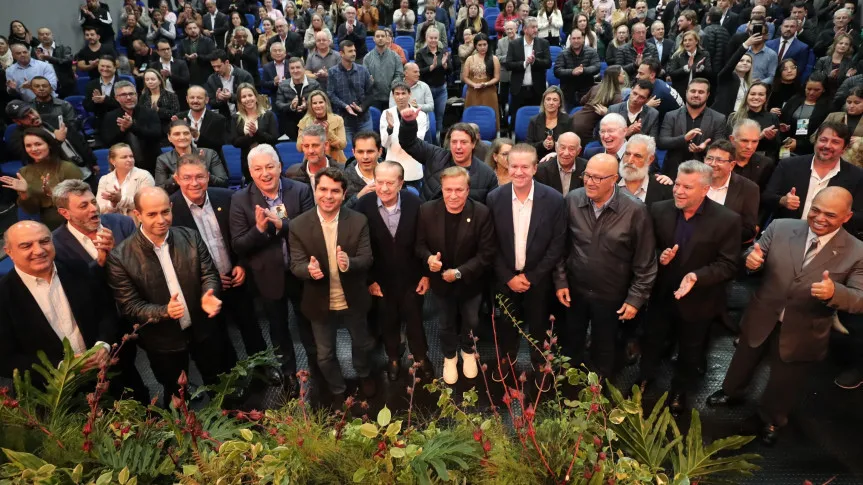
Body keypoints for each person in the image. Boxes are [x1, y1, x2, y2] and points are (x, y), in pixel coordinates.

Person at [707, 187, 863, 445]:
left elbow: (859, 298)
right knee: (743, 360)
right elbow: (754, 256)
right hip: (762, 315)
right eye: (815, 210)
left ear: (847, 217)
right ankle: (731, 392)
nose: (820, 218)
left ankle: (772, 419)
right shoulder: (780, 227)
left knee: (785, 382)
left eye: (830, 215)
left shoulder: (857, 251)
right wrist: (750, 262)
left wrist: (836, 292)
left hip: (805, 329)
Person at [106, 186, 234, 407]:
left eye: (165, 212)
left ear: (171, 208)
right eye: (152, 214)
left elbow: (209, 274)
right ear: (137, 214)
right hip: (162, 341)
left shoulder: (190, 236)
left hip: (202, 329)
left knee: (218, 384)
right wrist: (164, 311)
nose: (161, 219)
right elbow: (129, 307)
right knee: (175, 392)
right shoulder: (120, 257)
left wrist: (208, 293)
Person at [638, 160, 741, 416]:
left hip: (699, 301)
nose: (679, 191)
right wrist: (659, 256)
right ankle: (644, 378)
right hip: (661, 295)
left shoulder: (727, 220)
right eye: (677, 184)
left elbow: (729, 265)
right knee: (652, 341)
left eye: (687, 187)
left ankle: (679, 391)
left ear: (705, 189)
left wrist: (697, 276)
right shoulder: (659, 210)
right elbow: (645, 248)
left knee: (690, 350)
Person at [168, 153, 277, 381]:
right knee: (216, 338)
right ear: (177, 179)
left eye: (199, 176)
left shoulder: (227, 198)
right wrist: (208, 278)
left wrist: (242, 264)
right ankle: (231, 380)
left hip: (236, 277)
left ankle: (263, 367)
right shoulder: (170, 210)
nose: (194, 182)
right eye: (187, 178)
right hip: (204, 287)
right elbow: (173, 257)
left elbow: (242, 237)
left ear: (208, 177)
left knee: (251, 326)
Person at [554, 152, 656, 378]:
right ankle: (569, 385)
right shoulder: (572, 199)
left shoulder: (635, 211)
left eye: (598, 178)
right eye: (587, 175)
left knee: (606, 347)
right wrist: (560, 280)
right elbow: (560, 246)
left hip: (612, 295)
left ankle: (599, 393)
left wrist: (635, 299)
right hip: (575, 290)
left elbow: (646, 262)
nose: (590, 182)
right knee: (571, 341)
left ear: (614, 180)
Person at [49, 180, 151, 403]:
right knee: (121, 379)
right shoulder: (55, 245)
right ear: (65, 212)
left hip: (140, 310)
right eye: (83, 206)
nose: (93, 209)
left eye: (93, 202)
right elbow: (75, 289)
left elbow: (146, 266)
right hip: (102, 326)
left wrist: (116, 256)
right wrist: (101, 262)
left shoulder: (122, 224)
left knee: (158, 365)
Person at [229, 144, 315, 394]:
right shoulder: (240, 200)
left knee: (308, 324)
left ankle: (317, 369)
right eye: (258, 169)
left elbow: (312, 228)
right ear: (250, 171)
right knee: (278, 330)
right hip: (268, 277)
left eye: (269, 166)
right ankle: (289, 375)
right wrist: (258, 230)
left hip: (301, 273)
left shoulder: (300, 190)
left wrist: (283, 225)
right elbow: (239, 245)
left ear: (280, 167)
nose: (265, 173)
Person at [289, 167, 377, 403]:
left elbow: (367, 258)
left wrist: (349, 262)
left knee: (361, 344)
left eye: (335, 191)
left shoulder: (358, 221)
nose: (328, 196)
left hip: (353, 298)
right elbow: (295, 264)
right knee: (325, 355)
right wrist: (308, 270)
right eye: (323, 189)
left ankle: (364, 375)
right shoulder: (298, 225)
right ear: (315, 190)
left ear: (344, 193)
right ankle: (338, 389)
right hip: (319, 300)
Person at [0, 221, 114, 382]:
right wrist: (61, 367)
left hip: (106, 373)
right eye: (26, 246)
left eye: (44, 241)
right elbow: (5, 359)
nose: (39, 250)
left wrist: (104, 345)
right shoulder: (4, 295)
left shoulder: (78, 268)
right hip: (53, 393)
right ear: (9, 252)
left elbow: (107, 311)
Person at [486, 144, 566, 364]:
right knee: (506, 326)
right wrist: (508, 277)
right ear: (507, 166)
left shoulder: (554, 199)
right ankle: (507, 363)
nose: (518, 172)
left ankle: (540, 366)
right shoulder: (494, 198)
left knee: (539, 326)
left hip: (538, 280)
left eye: (524, 167)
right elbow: (489, 244)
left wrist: (531, 276)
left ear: (534, 168)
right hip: (505, 278)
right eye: (514, 166)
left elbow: (557, 244)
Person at [415, 166, 495, 384]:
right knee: (445, 323)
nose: (453, 195)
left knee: (471, 320)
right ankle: (449, 356)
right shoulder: (427, 211)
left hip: (471, 282)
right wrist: (429, 259)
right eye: (448, 189)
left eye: (459, 190)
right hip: (441, 285)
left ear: (468, 190)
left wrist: (459, 273)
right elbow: (419, 246)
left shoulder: (481, 213)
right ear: (441, 189)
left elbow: (486, 253)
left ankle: (468, 352)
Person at [763, 122, 863, 234]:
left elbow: (859, 216)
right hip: (787, 234)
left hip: (830, 240)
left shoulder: (857, 176)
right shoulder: (788, 165)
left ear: (844, 148)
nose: (827, 146)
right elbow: (767, 197)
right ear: (816, 141)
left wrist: (835, 216)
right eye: (823, 140)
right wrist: (783, 201)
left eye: (835, 142)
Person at [399, 107, 499, 202]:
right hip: (431, 216)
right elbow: (409, 143)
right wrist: (408, 124)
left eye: (464, 142)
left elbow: (489, 210)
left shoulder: (487, 175)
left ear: (473, 144)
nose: (458, 146)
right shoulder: (434, 155)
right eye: (454, 142)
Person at [0, 129, 83, 229]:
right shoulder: (24, 172)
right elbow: (32, 210)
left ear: (49, 145)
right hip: (49, 224)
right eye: (28, 146)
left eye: (38, 144)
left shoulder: (67, 168)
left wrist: (53, 194)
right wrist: (24, 194)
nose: (33, 149)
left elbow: (82, 201)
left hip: (75, 220)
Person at [3, 100, 94, 180]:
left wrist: (93, 162)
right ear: (17, 122)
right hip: (58, 177)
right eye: (25, 117)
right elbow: (33, 159)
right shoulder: (17, 138)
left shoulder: (54, 119)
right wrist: (57, 141)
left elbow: (79, 141)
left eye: (31, 111)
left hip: (83, 167)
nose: (32, 117)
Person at [657, 78, 728, 176]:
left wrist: (704, 148)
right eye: (693, 91)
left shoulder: (719, 119)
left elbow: (721, 149)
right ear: (686, 92)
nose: (696, 95)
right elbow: (662, 142)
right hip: (673, 172)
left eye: (701, 92)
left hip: (704, 173)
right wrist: (684, 138)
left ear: (707, 95)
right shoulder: (671, 116)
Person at [100, 81, 163, 175]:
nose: (129, 97)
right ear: (117, 98)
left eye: (131, 94)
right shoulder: (110, 117)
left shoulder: (149, 113)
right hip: (125, 169)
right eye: (124, 95)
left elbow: (157, 135)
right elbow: (108, 143)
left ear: (136, 95)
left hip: (153, 166)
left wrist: (132, 127)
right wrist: (122, 131)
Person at [704, 140, 760, 242]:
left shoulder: (749, 189)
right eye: (709, 158)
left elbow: (749, 230)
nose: (712, 164)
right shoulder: (694, 180)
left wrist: (714, 233)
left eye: (719, 160)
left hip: (725, 249)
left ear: (732, 165)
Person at [505, 17, 552, 133]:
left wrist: (535, 61)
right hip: (519, 89)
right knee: (517, 120)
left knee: (539, 121)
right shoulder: (514, 44)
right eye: (533, 27)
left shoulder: (543, 43)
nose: (536, 30)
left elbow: (548, 63)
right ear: (525, 29)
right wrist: (525, 63)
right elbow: (508, 64)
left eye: (537, 27)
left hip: (537, 89)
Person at [157, 120, 228, 193]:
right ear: (169, 137)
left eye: (186, 133)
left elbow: (224, 183)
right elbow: (160, 190)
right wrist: (176, 177)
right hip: (179, 200)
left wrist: (203, 171)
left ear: (191, 135)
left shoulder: (210, 153)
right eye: (177, 134)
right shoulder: (163, 160)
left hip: (208, 196)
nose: (182, 137)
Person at [327, 40, 373, 144]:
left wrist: (362, 107)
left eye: (354, 50)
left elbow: (370, 94)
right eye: (350, 51)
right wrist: (345, 106)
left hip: (364, 119)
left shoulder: (363, 70)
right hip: (343, 120)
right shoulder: (333, 72)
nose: (353, 53)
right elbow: (330, 94)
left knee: (367, 147)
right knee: (347, 153)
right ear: (341, 53)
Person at [382, 82, 427, 184]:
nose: (400, 97)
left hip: (413, 165)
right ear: (393, 96)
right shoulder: (386, 114)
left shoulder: (420, 115)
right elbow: (384, 143)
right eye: (397, 94)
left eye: (403, 93)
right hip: (392, 165)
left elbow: (419, 140)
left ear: (409, 94)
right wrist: (390, 128)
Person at [778, 72, 831, 157]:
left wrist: (799, 144)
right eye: (809, 89)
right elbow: (782, 118)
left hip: (811, 149)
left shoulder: (828, 107)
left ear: (824, 89)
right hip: (787, 144)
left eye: (816, 90)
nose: (811, 93)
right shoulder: (795, 100)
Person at [97, 143, 156, 216]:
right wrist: (112, 204)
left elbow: (146, 203)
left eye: (131, 156)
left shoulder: (144, 176)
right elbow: (99, 208)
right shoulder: (104, 179)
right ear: (112, 161)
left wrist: (121, 199)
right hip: (112, 222)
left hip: (137, 221)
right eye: (124, 157)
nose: (130, 160)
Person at [571, 65, 624, 143]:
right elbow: (618, 120)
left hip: (573, 119)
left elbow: (582, 101)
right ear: (617, 77)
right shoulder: (617, 96)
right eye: (622, 74)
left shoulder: (596, 87)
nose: (624, 76)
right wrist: (608, 113)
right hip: (586, 128)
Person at [415, 27, 450, 139]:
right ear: (426, 38)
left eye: (435, 38)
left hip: (441, 89)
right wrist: (432, 67)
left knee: (440, 116)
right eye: (431, 38)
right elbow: (419, 72)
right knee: (428, 116)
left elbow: (451, 71)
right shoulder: (421, 53)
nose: (433, 40)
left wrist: (445, 66)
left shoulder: (443, 52)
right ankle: (429, 140)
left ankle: (438, 140)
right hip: (426, 90)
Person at [618, 134, 674, 205]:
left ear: (650, 159)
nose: (630, 160)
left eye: (637, 156)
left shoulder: (664, 189)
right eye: (627, 154)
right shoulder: (610, 182)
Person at [273, 56, 320, 140]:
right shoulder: (283, 85)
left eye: (298, 67)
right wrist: (291, 106)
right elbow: (279, 104)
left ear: (304, 68)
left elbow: (322, 102)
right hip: (290, 123)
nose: (295, 70)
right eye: (292, 68)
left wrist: (308, 106)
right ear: (289, 70)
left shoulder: (315, 84)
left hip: (311, 122)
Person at [462, 33, 500, 133]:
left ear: (488, 45)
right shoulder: (470, 59)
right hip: (473, 91)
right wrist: (473, 84)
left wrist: (486, 84)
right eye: (480, 45)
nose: (482, 47)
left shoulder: (494, 59)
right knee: (472, 119)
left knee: (489, 118)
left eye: (485, 44)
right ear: (475, 46)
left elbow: (497, 77)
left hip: (489, 91)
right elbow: (465, 77)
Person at [296, 90, 348, 164]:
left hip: (336, 162)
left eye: (321, 102)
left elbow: (342, 145)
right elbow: (299, 147)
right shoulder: (304, 122)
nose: (318, 106)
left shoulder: (338, 119)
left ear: (326, 103)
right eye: (314, 103)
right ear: (310, 105)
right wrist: (311, 131)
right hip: (311, 162)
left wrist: (328, 132)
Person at [181, 85, 229, 161]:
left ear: (206, 100)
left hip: (211, 163)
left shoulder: (218, 119)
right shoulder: (180, 118)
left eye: (199, 98)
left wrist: (197, 136)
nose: (195, 101)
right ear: (187, 99)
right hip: (185, 163)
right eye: (192, 97)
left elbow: (217, 145)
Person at [363, 28, 405, 112]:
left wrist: (392, 85)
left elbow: (399, 74)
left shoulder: (395, 56)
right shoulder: (367, 58)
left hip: (391, 97)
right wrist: (369, 81)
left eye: (383, 36)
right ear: (374, 39)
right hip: (374, 98)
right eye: (378, 36)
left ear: (387, 39)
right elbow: (364, 77)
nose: (380, 38)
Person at [205, 49, 255, 118]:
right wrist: (218, 99)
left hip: (245, 116)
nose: (216, 69)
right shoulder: (211, 79)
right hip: (224, 120)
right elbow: (211, 102)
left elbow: (252, 98)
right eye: (213, 67)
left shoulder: (244, 76)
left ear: (227, 62)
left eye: (219, 66)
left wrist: (231, 96)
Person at [526, 86, 572, 159]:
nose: (551, 103)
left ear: (559, 103)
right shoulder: (534, 121)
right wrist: (542, 144)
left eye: (555, 100)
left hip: (560, 158)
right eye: (548, 99)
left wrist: (555, 145)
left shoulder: (568, 120)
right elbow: (528, 146)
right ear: (544, 102)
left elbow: (571, 144)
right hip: (538, 159)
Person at [713, 39, 755, 117]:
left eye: (748, 61)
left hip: (741, 118)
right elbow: (730, 64)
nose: (745, 63)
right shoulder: (726, 77)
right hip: (723, 118)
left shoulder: (749, 84)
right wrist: (746, 44)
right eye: (741, 60)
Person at [731, 118, 776, 190]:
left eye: (754, 141)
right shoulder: (721, 161)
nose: (749, 146)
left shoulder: (765, 164)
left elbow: (766, 195)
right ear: (732, 140)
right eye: (744, 141)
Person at [666, 31, 712, 97]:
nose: (687, 42)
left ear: (696, 41)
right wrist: (685, 68)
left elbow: (710, 74)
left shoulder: (704, 54)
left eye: (690, 40)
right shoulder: (677, 55)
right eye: (685, 40)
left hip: (697, 92)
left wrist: (701, 68)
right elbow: (672, 74)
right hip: (680, 92)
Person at [33, 28, 75, 98]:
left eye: (47, 34)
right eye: (42, 34)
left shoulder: (64, 48)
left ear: (52, 35)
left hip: (64, 86)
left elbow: (68, 61)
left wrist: (49, 58)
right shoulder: (34, 50)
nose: (45, 36)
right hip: (44, 87)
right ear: (38, 37)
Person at [342, 131, 381, 207]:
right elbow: (341, 212)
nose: (365, 157)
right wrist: (358, 196)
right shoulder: (344, 178)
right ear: (353, 152)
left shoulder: (393, 173)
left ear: (379, 152)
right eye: (360, 152)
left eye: (370, 151)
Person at [766, 18, 811, 83]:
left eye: (792, 27)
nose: (788, 29)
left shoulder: (803, 47)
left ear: (796, 29)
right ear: (781, 27)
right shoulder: (769, 44)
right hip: (768, 81)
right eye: (786, 26)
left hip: (788, 83)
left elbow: (799, 69)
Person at [141, 69, 182, 133]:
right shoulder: (143, 97)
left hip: (167, 130)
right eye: (147, 80)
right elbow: (140, 114)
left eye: (153, 79)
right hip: (148, 131)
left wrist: (158, 110)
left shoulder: (171, 96)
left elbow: (176, 114)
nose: (150, 82)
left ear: (159, 81)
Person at [179, 21, 218, 86]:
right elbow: (179, 59)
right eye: (190, 28)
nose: (193, 30)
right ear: (186, 30)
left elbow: (213, 56)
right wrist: (187, 58)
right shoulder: (183, 43)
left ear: (199, 29)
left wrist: (198, 56)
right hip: (190, 77)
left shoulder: (208, 41)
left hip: (206, 77)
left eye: (195, 28)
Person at [153, 39, 191, 106]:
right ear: (157, 51)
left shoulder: (181, 63)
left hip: (180, 99)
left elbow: (186, 81)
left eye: (168, 48)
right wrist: (162, 79)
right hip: (161, 100)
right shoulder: (153, 66)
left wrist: (170, 75)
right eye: (163, 49)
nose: (166, 51)